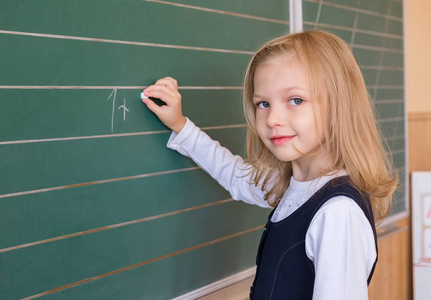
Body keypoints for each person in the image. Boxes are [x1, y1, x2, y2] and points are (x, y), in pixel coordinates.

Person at [141, 30, 398, 300]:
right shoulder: (296, 185)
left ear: (339, 106)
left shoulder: (337, 212)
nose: (273, 118)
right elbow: (236, 176)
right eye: (263, 103)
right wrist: (181, 126)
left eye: (295, 100)